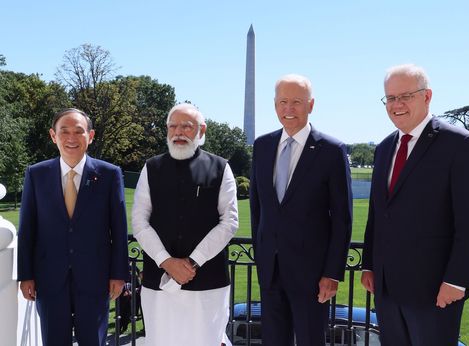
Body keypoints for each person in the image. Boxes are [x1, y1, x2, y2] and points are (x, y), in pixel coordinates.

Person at [361, 64, 469, 345]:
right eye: (391, 98)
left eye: (405, 96)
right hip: (387, 290)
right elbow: (378, 214)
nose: (397, 105)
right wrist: (369, 264)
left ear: (427, 96)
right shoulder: (383, 149)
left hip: (435, 290)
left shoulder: (460, 144)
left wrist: (456, 281)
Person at [250, 74, 353, 346]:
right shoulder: (261, 146)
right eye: (283, 102)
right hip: (270, 271)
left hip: (313, 274)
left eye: (297, 102)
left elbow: (342, 218)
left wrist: (332, 273)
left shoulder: (331, 150)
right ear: (274, 105)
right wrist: (261, 254)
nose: (289, 109)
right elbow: (258, 209)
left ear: (311, 105)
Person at [17, 108, 129, 346]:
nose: (71, 138)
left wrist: (119, 274)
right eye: (64, 131)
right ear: (53, 135)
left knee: (93, 341)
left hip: (95, 279)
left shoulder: (110, 175)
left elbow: (119, 229)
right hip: (48, 280)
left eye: (79, 131)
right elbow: (27, 229)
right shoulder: (36, 174)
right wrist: (25, 275)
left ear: (90, 136)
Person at [132, 103, 238, 345]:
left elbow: (229, 221)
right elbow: (139, 221)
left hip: (208, 283)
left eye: (186, 126)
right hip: (158, 283)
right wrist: (166, 261)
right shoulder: (151, 167)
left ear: (201, 130)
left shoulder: (220, 167)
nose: (178, 132)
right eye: (173, 126)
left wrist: (192, 262)